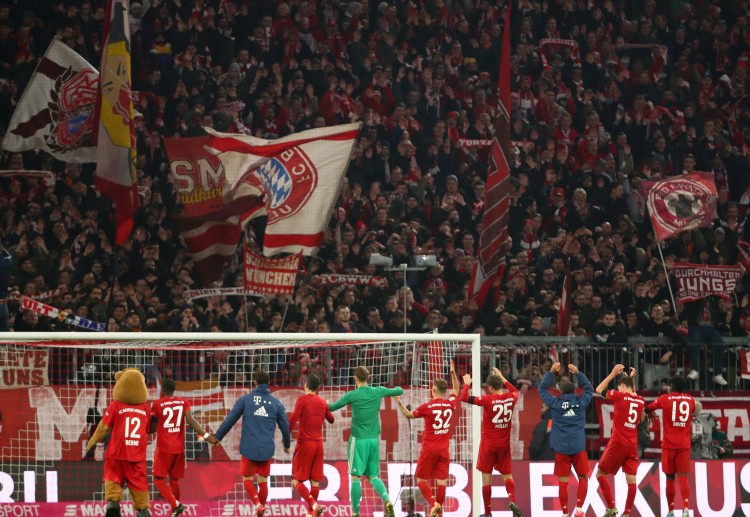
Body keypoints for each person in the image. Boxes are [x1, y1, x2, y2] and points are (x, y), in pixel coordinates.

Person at [210, 371, 291, 517]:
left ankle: (257, 504)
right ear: (268, 384)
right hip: (267, 448)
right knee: (263, 481)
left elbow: (230, 419)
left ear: (254, 382)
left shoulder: (245, 400)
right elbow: (285, 426)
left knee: (247, 479)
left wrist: (218, 437)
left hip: (249, 447)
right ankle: (262, 507)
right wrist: (287, 444)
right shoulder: (276, 403)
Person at [328, 366, 403, 517]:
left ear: (355, 378)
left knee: (356, 478)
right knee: (373, 476)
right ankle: (387, 501)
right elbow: (399, 390)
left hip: (359, 441)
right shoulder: (378, 391)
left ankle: (355, 513)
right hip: (373, 441)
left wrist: (324, 402)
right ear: (368, 378)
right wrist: (395, 392)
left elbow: (332, 407)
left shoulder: (352, 395)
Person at [394, 360, 460, 517]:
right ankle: (438, 512)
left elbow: (409, 415)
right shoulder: (450, 404)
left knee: (421, 480)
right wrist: (453, 373)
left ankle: (435, 506)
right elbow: (457, 390)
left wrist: (398, 402)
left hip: (429, 448)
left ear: (434, 390)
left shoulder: (427, 407)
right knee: (441, 483)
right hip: (444, 450)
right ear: (445, 391)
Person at [460, 367, 523, 517]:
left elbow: (464, 398)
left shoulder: (487, 400)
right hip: (504, 445)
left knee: (486, 478)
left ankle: (488, 513)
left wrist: (467, 384)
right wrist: (504, 378)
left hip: (488, 444)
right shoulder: (511, 397)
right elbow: (515, 391)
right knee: (508, 476)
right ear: (501, 385)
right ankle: (513, 502)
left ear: (489, 388)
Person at [538, 363, 594, 517]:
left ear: (560, 392)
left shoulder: (555, 403)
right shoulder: (581, 402)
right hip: (578, 447)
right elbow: (589, 388)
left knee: (563, 482)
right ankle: (580, 509)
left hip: (561, 448)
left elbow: (541, 389)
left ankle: (564, 513)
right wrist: (578, 373)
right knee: (583, 478)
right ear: (574, 391)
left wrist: (551, 372)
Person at [150, 378, 211, 517]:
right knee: (174, 480)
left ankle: (176, 505)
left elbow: (152, 429)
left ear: (163, 390)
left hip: (164, 448)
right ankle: (175, 511)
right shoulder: (184, 402)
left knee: (158, 479)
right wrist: (206, 435)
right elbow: (191, 422)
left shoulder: (157, 404)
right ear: (174, 390)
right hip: (179, 448)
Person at [594, 364, 645, 517]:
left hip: (618, 442)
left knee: (600, 473)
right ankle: (627, 512)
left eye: (620, 387)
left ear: (622, 386)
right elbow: (633, 394)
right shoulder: (641, 400)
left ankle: (611, 507)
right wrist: (631, 379)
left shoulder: (619, 396)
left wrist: (612, 374)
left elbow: (598, 389)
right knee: (631, 479)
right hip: (632, 445)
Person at [644, 376, 695, 517]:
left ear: (671, 387)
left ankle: (671, 511)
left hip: (669, 445)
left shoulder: (664, 399)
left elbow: (647, 409)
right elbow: (694, 410)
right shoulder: (690, 400)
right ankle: (685, 509)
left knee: (670, 478)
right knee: (683, 477)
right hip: (684, 445)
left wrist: (650, 412)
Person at [288, 374, 334, 517]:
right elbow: (331, 420)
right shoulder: (322, 402)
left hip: (305, 444)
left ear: (306, 386)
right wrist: (326, 405)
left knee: (296, 480)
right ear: (318, 388)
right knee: (315, 482)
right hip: (318, 445)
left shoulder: (302, 400)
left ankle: (313, 504)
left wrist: (285, 437)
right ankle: (310, 513)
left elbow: (293, 419)